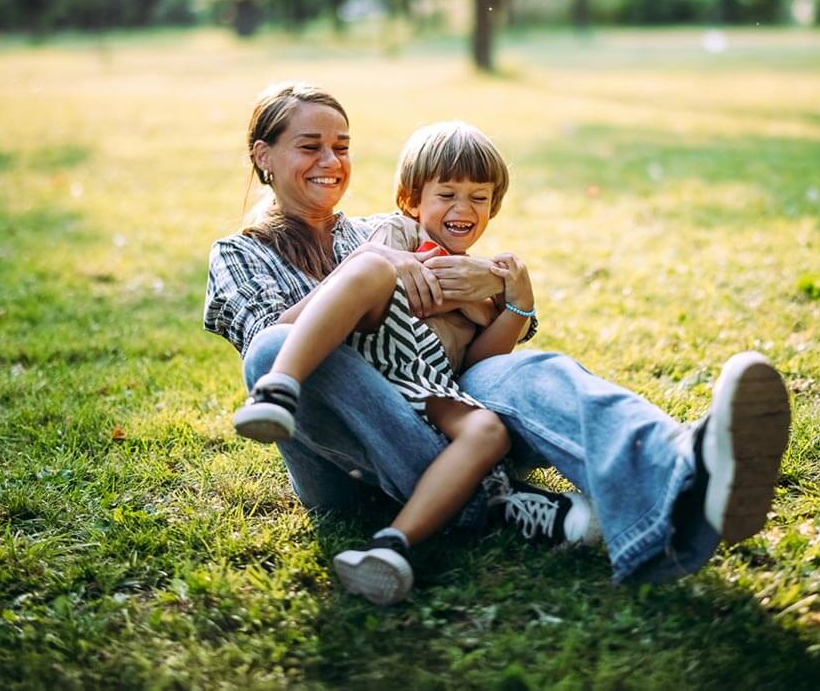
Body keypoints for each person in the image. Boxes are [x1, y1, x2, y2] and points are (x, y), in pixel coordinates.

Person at [202, 81, 789, 592]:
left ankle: (686, 476)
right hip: (348, 455)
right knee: (278, 351)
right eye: (311, 146)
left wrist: (508, 293)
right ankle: (491, 502)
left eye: (342, 147)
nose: (331, 160)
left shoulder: (383, 230)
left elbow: (460, 333)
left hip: (437, 405)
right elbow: (264, 337)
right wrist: (376, 271)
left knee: (530, 372)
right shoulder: (241, 253)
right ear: (264, 157)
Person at [231, 120, 598, 605]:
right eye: (447, 194)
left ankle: (394, 545)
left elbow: (477, 363)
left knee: (489, 430)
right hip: (374, 370)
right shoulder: (397, 231)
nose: (463, 209)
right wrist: (444, 281)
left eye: (479, 198)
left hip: (426, 380)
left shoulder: (478, 280)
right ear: (412, 200)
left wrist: (513, 305)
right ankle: (279, 388)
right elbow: (365, 269)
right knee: (368, 267)